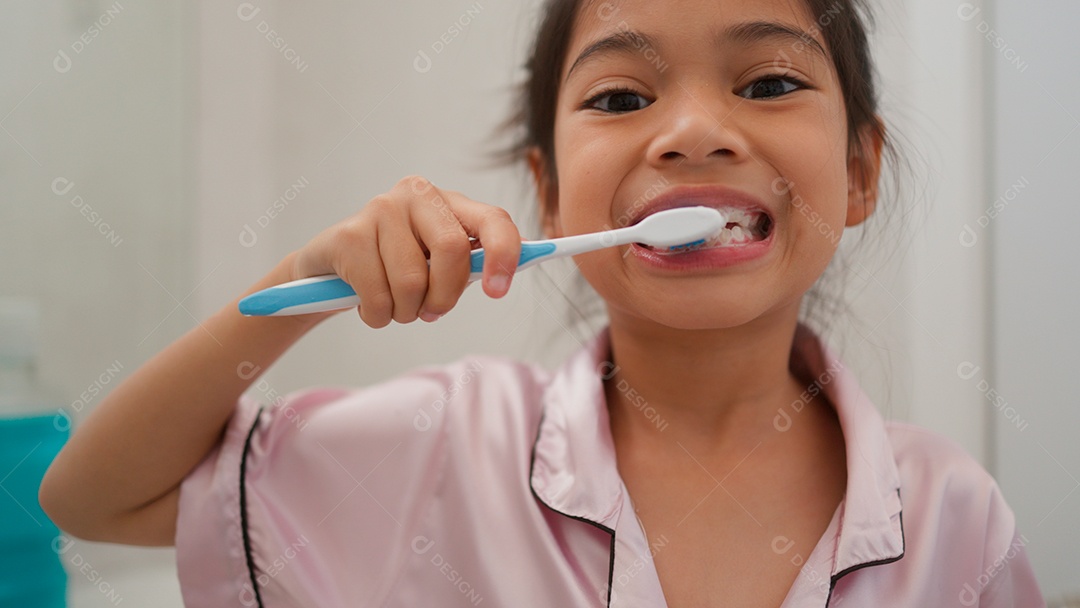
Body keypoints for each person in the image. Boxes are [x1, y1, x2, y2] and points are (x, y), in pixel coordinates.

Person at [40, 0, 1046, 606]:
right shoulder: (437, 444)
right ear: (550, 188)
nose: (693, 131)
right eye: (620, 97)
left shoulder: (959, 517)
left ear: (859, 171)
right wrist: (303, 281)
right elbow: (89, 496)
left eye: (770, 80)